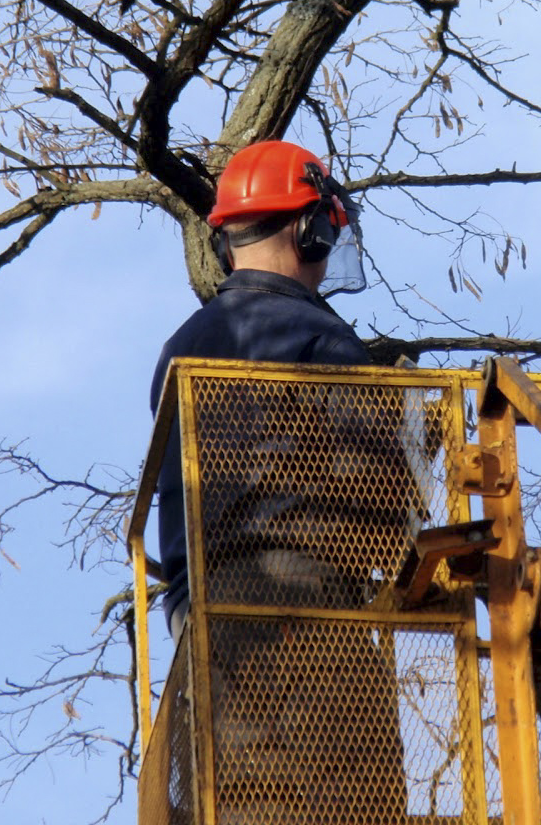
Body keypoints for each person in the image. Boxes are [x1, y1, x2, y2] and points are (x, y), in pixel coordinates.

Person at [149, 139, 408, 825]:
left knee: (239, 805)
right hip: (309, 615)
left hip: (201, 634)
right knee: (358, 804)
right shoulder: (318, 337)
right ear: (312, 227)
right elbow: (382, 502)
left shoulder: (182, 346)